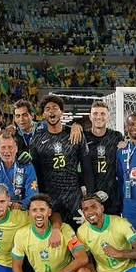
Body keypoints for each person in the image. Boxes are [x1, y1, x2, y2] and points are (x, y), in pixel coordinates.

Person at [29, 94, 84, 225]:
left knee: (78, 235)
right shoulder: (36, 140)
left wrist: (86, 190)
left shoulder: (74, 134)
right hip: (49, 196)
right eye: (47, 109)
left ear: (61, 112)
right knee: (54, 235)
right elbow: (35, 170)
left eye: (55, 108)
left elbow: (86, 164)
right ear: (43, 115)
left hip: (73, 196)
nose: (51, 111)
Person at [80, 100, 125, 217]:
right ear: (90, 116)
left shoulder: (116, 136)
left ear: (108, 116)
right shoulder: (83, 137)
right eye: (95, 114)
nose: (98, 117)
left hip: (112, 195)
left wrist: (124, 147)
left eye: (102, 114)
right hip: (90, 194)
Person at [0, 133, 39, 208]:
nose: (6, 151)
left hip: (19, 211)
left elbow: (33, 193)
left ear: (16, 149)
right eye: (3, 147)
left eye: (10, 147)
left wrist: (22, 205)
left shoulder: (27, 167)